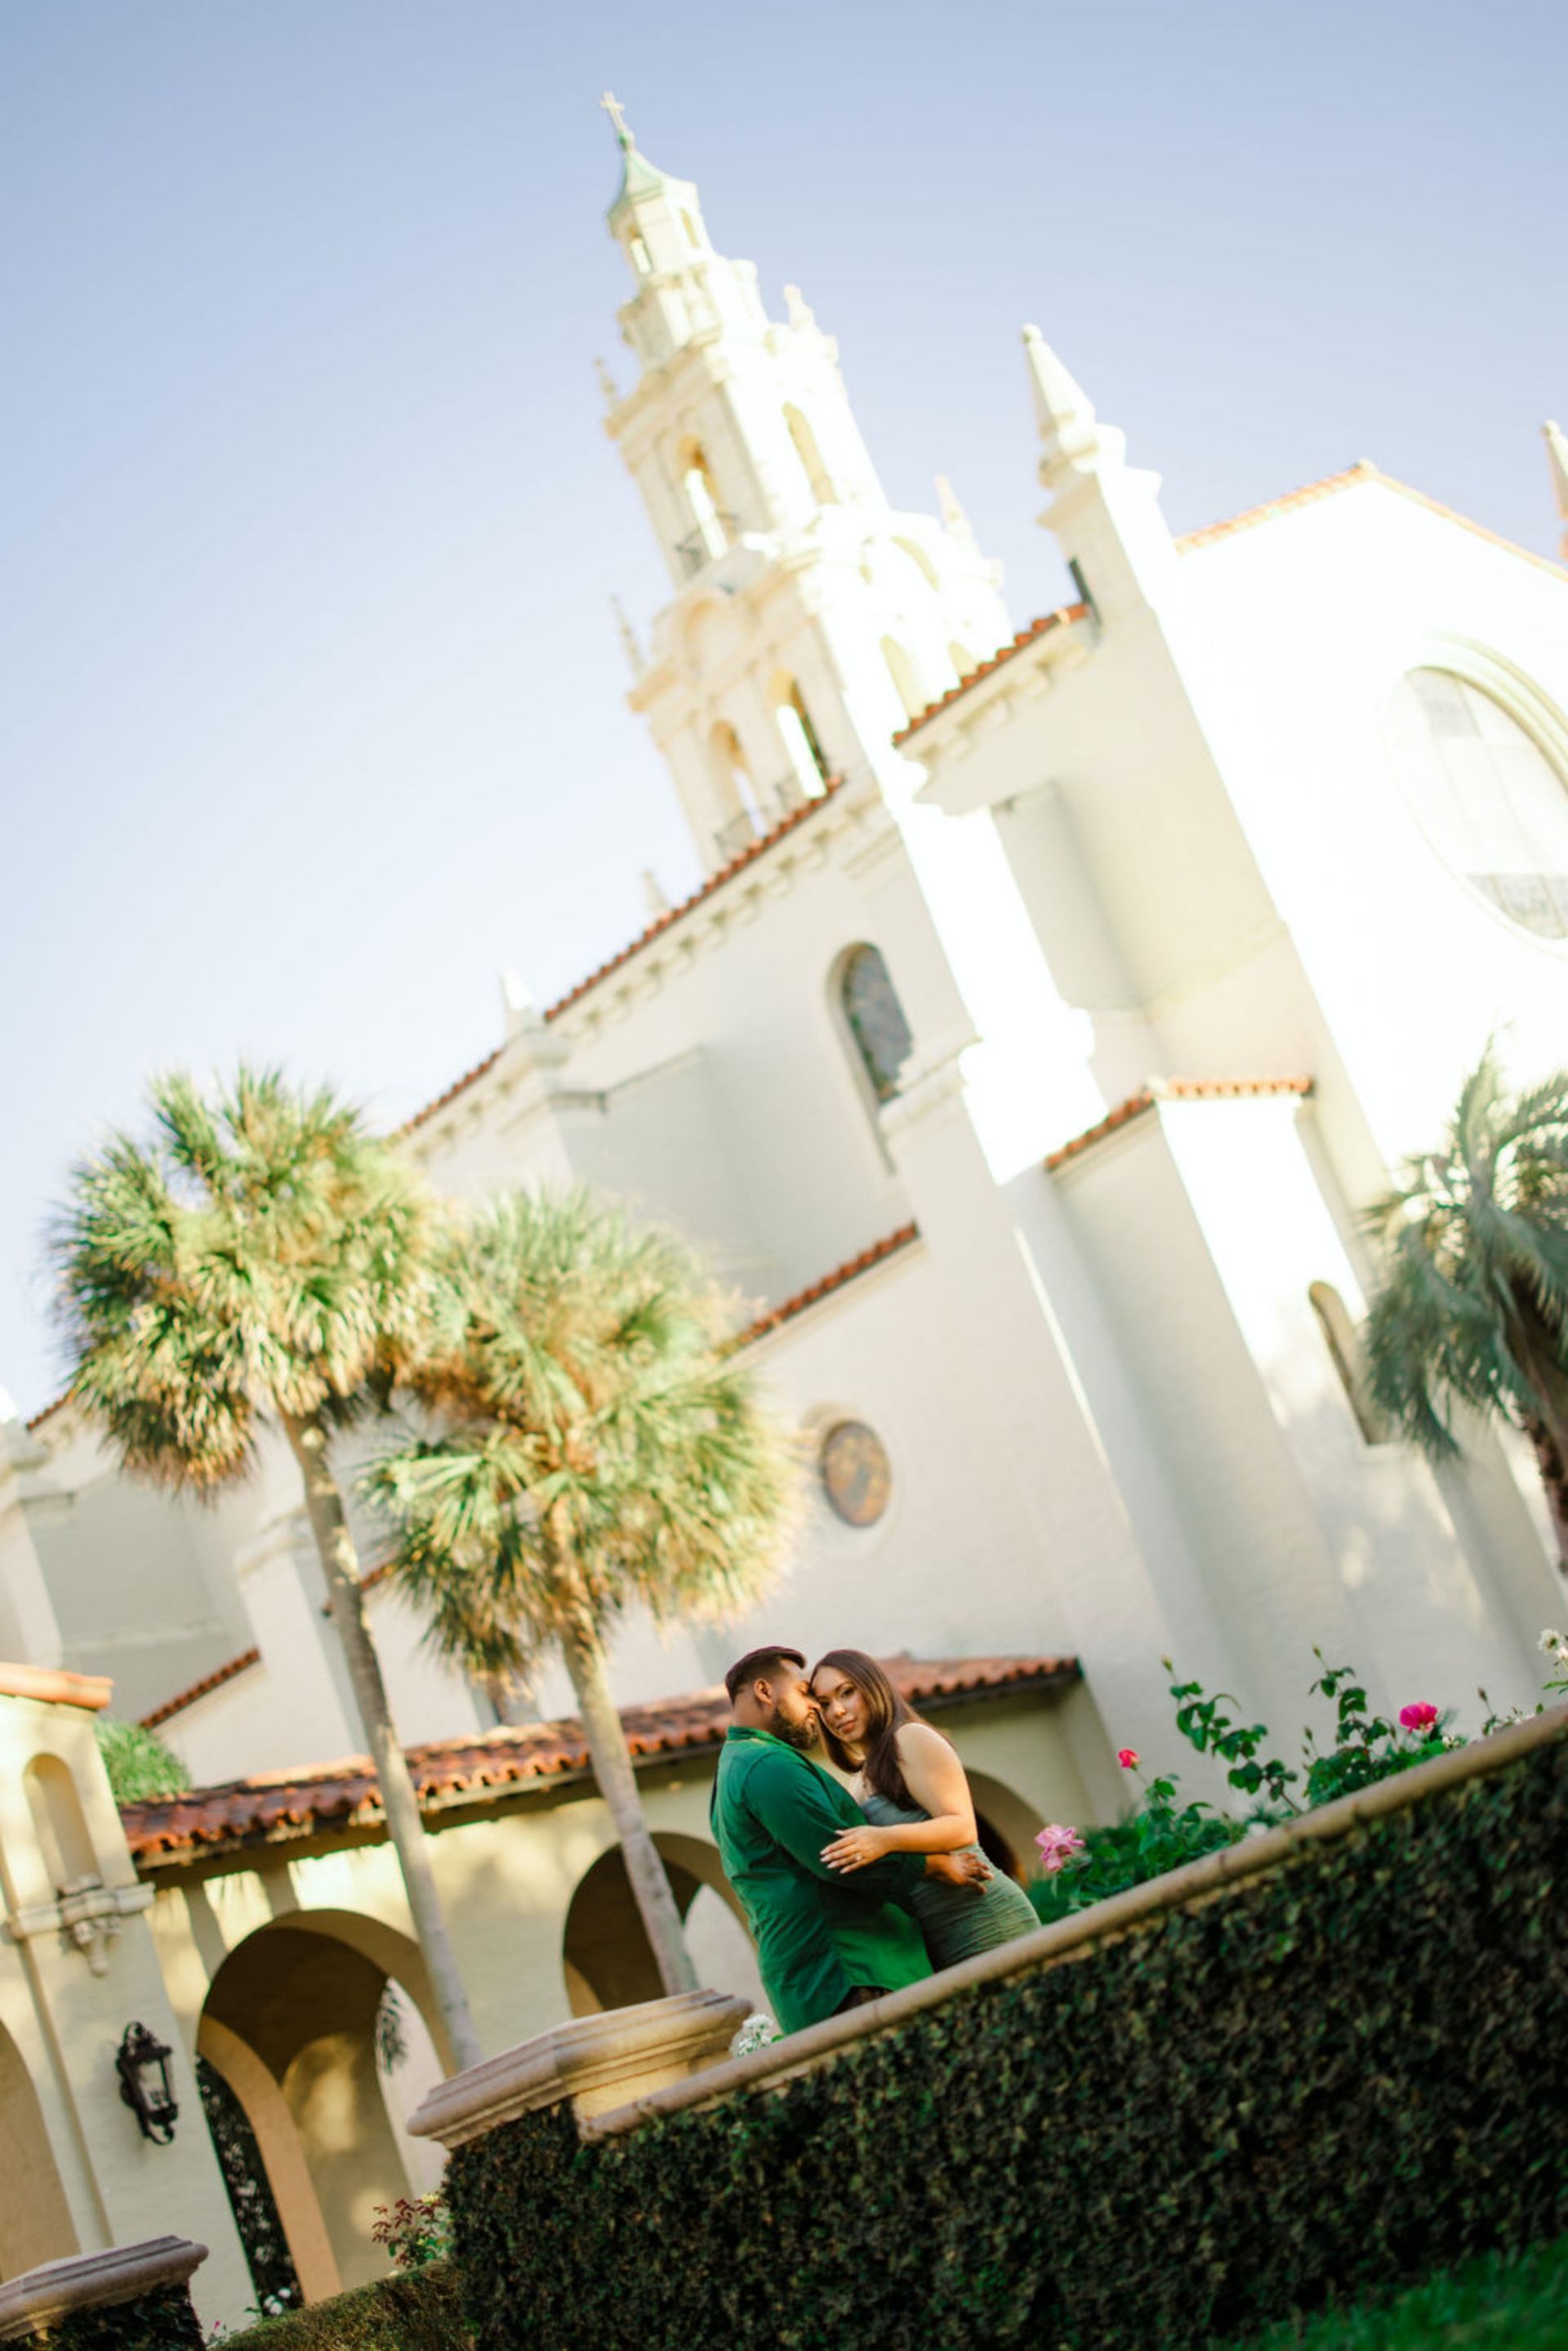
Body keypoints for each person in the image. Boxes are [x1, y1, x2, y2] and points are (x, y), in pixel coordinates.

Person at [710, 1644, 991, 2034]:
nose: (817, 1709)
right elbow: (838, 1856)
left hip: (831, 1976)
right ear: (764, 1691)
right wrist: (936, 1864)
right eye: (805, 1693)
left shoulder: (735, 1766)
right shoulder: (766, 1764)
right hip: (853, 1971)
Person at [810, 1648, 1040, 1968]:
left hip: (986, 1921)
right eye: (823, 1704)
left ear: (873, 1688)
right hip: (936, 1943)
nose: (836, 1711)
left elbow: (961, 1826)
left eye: (846, 1693)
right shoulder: (857, 1782)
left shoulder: (910, 1739)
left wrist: (884, 1840)